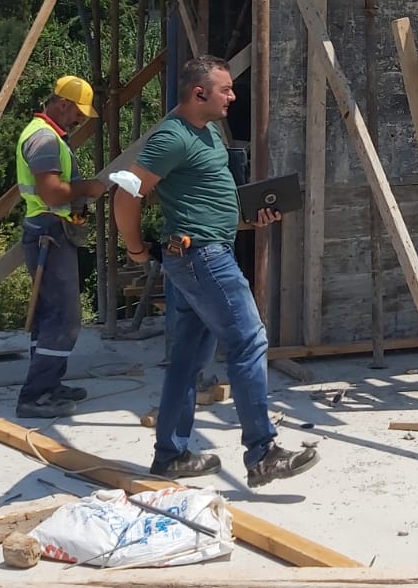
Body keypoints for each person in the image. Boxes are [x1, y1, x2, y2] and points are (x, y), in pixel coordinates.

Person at [113, 54, 318, 487]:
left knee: (187, 359)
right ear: (198, 93)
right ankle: (262, 453)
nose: (232, 96)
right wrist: (135, 250)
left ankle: (171, 455)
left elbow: (205, 198)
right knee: (249, 340)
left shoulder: (205, 133)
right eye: (225, 89)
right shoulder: (172, 137)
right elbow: (126, 195)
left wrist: (251, 216)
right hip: (202, 257)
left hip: (199, 254)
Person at [15, 75, 108, 420]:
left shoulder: (47, 135)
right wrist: (88, 188)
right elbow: (52, 193)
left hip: (48, 231)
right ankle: (36, 395)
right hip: (49, 233)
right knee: (65, 318)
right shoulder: (44, 139)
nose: (80, 119)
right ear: (63, 104)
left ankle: (48, 384)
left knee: (49, 315)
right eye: (78, 112)